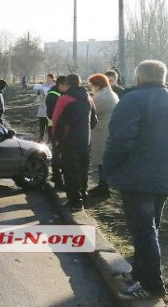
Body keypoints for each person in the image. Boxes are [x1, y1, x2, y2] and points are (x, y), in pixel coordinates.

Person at [104, 60, 168, 300]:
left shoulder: (131, 100)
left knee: (143, 230)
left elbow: (121, 140)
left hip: (137, 178)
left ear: (138, 77)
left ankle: (153, 285)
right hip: (165, 177)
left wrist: (109, 168)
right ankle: (139, 273)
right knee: (149, 228)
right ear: (163, 77)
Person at [52, 74, 97, 211]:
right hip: (85, 141)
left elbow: (56, 120)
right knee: (83, 170)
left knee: (70, 171)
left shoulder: (64, 99)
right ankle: (83, 195)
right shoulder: (88, 97)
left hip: (68, 141)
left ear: (68, 84)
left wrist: (56, 139)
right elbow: (94, 121)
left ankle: (75, 202)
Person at [87, 73, 118, 199]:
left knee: (102, 160)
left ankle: (104, 187)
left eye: (92, 86)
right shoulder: (111, 94)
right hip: (107, 130)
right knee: (102, 160)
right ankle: (102, 185)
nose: (91, 89)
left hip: (102, 131)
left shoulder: (101, 97)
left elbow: (91, 111)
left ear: (97, 85)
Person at [46, 75, 67, 189]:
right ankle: (58, 179)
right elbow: (51, 114)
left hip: (58, 127)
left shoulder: (57, 93)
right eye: (66, 85)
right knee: (57, 154)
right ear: (61, 85)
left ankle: (57, 176)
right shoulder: (53, 95)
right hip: (55, 128)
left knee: (58, 153)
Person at [35, 73, 55, 143]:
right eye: (46, 78)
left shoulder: (54, 86)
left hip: (50, 106)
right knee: (41, 122)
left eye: (48, 78)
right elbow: (39, 94)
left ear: (52, 78)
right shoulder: (44, 85)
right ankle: (41, 137)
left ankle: (50, 137)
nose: (47, 79)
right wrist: (38, 92)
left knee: (49, 123)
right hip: (42, 105)